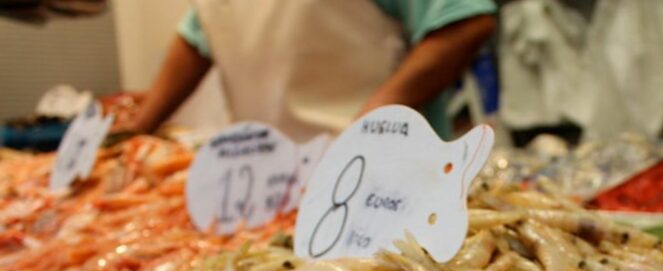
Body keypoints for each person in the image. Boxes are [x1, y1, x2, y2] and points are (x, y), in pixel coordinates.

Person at [125, 1, 497, 141]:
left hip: (376, 174)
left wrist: (370, 121)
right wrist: (134, 131)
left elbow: (463, 20)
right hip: (263, 179)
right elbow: (201, 32)